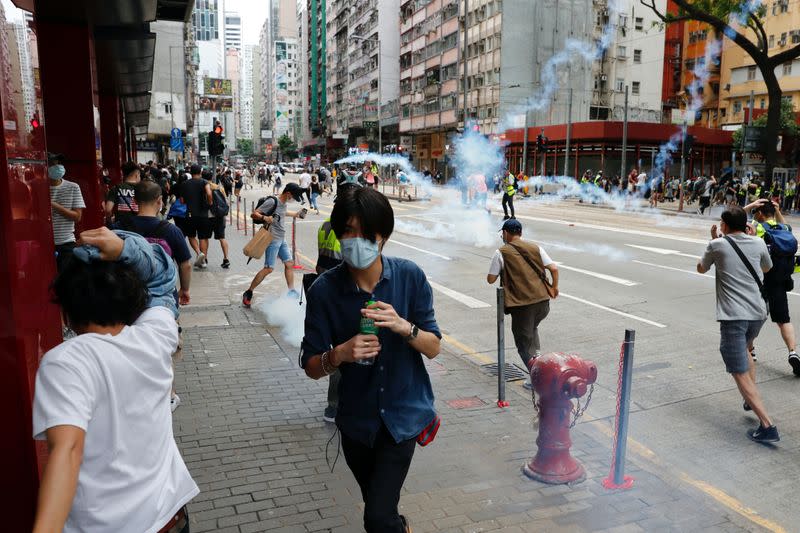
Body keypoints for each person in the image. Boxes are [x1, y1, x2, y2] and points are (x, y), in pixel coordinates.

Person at [32, 227, 198, 532]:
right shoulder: (157, 336)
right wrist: (123, 249)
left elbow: (67, 451)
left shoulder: (66, 362)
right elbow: (163, 276)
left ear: (66, 313)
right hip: (169, 517)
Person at [300, 186, 441, 533]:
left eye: (365, 234)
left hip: (403, 417)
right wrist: (340, 354)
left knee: (375, 518)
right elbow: (311, 366)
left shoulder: (409, 276)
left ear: (383, 237)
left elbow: (434, 345)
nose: (355, 241)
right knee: (381, 510)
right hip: (357, 424)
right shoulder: (324, 291)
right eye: (348, 231)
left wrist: (404, 327)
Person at [696, 207, 779, 443]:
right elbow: (767, 268)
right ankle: (749, 398)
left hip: (734, 317)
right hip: (758, 313)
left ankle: (767, 425)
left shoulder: (717, 246)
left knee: (738, 371)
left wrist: (713, 243)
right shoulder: (758, 243)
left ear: (723, 225)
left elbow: (701, 268)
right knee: (746, 350)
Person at [114, 180, 193, 412]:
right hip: (162, 301)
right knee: (163, 348)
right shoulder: (169, 230)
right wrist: (185, 290)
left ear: (134, 201)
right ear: (160, 201)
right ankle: (168, 395)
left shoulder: (118, 227)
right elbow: (185, 264)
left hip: (125, 299)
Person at [486, 219, 558, 389]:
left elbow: (490, 279)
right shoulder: (536, 247)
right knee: (532, 330)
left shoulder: (501, 252)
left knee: (523, 345)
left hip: (522, 305)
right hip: (543, 303)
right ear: (520, 233)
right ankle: (538, 359)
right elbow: (554, 268)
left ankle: (539, 380)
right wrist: (554, 288)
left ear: (505, 233)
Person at [745, 199, 799, 373]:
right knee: (784, 320)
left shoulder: (757, 228)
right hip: (780, 280)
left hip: (761, 281)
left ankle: (750, 351)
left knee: (753, 318)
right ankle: (793, 352)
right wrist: (778, 211)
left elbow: (734, 218)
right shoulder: (785, 229)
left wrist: (750, 206)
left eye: (756, 213)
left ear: (760, 213)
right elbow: (785, 226)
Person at [242, 183, 306, 307]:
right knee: (269, 269)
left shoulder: (283, 202)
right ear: (288, 193)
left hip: (281, 239)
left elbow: (282, 212)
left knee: (289, 264)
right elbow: (254, 214)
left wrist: (296, 214)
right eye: (293, 197)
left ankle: (291, 291)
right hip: (272, 239)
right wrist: (265, 218)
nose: (293, 199)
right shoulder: (272, 201)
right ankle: (249, 292)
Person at [48, 161, 86, 272]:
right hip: (43, 244)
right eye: (52, 164)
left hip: (66, 243)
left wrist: (53, 205)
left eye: (58, 164)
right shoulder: (36, 185)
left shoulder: (73, 187)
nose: (57, 167)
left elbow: (77, 217)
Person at [181, 164, 214, 269]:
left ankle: (199, 252)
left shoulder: (185, 184)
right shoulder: (204, 182)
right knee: (203, 237)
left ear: (191, 172)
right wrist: (210, 202)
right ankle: (203, 260)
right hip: (203, 214)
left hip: (190, 214)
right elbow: (209, 193)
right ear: (200, 172)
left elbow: (182, 201)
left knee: (191, 236)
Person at [203, 170, 231, 268]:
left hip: (208, 216)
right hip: (220, 216)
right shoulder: (219, 187)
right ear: (212, 177)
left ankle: (204, 259)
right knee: (222, 238)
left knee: (205, 238)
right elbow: (225, 201)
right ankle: (226, 259)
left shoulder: (204, 187)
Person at [104, 161, 141, 225]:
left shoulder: (116, 188)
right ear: (136, 174)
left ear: (123, 174)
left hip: (120, 226)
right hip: (137, 226)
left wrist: (109, 221)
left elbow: (108, 209)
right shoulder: (142, 189)